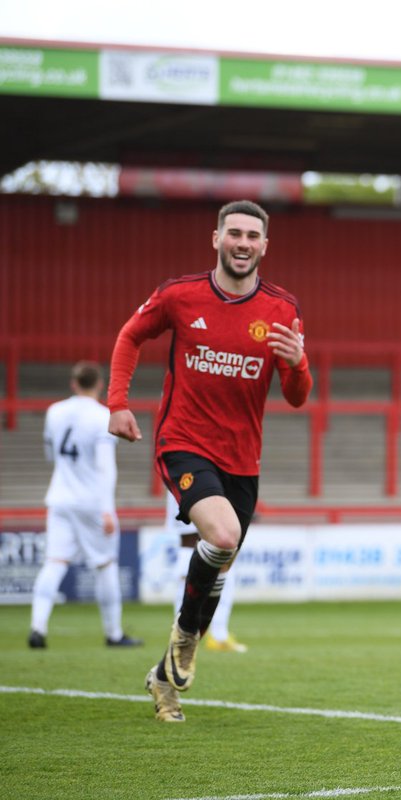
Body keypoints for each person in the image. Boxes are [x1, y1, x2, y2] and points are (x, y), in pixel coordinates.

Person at [107, 200, 310, 722]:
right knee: (221, 538)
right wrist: (118, 403)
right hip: (183, 441)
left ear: (265, 245)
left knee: (218, 563)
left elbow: (296, 396)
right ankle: (186, 639)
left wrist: (297, 363)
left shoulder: (282, 308)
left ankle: (164, 675)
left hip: (243, 459)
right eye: (234, 233)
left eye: (253, 236)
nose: (243, 243)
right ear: (216, 238)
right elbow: (130, 335)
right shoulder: (180, 295)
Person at [29, 362, 142, 650]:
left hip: (60, 497)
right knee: (105, 566)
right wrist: (107, 508)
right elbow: (106, 468)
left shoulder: (55, 411)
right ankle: (113, 633)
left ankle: (38, 627)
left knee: (54, 562)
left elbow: (48, 454)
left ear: (73, 383)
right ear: (100, 384)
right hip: (92, 502)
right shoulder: (102, 416)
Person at [167, 493, 248, 653]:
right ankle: (201, 633)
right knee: (198, 543)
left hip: (193, 481)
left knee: (216, 546)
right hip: (194, 483)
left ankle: (201, 633)